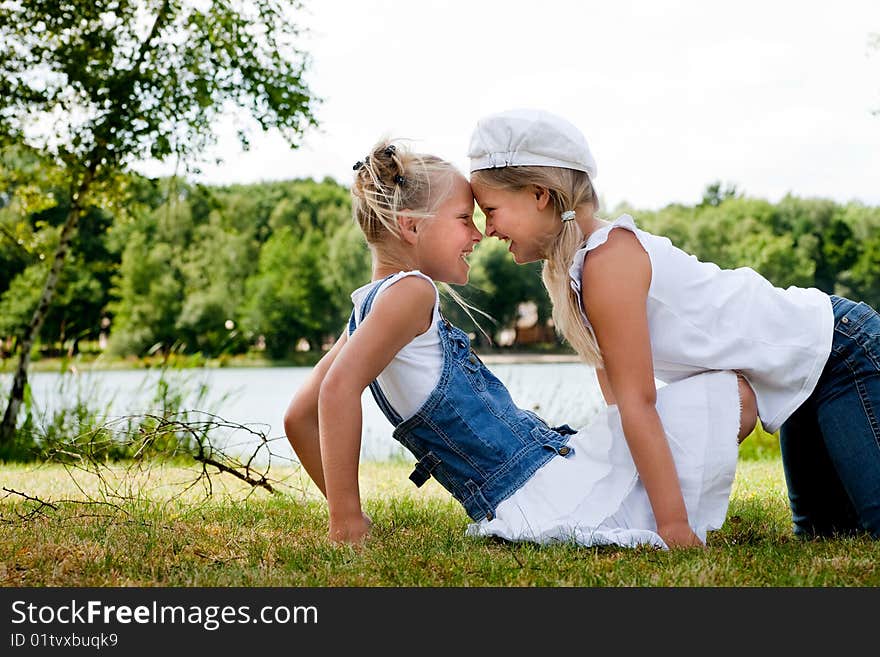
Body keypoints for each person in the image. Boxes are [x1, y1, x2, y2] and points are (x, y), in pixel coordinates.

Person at [283, 138, 758, 548]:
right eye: (463, 219)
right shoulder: (411, 292)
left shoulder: (366, 312)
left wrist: (349, 509)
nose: (479, 234)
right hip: (542, 488)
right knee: (734, 396)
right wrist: (345, 521)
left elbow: (299, 416)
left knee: (689, 410)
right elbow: (337, 392)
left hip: (527, 487)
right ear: (411, 227)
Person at [467, 108, 880, 540]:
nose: (487, 229)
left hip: (841, 351)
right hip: (801, 378)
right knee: (827, 535)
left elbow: (638, 405)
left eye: (491, 209)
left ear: (539, 194)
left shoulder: (610, 261)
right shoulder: (583, 270)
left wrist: (673, 526)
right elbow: (619, 415)